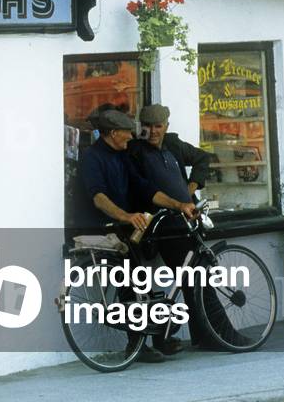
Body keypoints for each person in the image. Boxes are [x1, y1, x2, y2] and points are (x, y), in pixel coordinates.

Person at [77, 108, 198, 361]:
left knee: (141, 284)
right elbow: (98, 197)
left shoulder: (122, 156)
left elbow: (145, 188)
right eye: (126, 134)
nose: (131, 138)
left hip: (124, 229)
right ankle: (138, 346)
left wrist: (179, 204)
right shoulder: (92, 158)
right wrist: (125, 216)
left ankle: (159, 336)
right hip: (103, 229)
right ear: (112, 134)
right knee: (130, 285)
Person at [128, 104, 217, 348]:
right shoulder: (136, 151)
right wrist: (178, 204)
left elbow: (202, 157)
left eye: (158, 126)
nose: (154, 131)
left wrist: (192, 188)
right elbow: (143, 189)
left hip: (187, 220)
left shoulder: (173, 144)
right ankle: (201, 334)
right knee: (190, 276)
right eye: (148, 127)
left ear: (166, 125)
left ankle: (205, 334)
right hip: (163, 224)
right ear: (141, 127)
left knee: (196, 277)